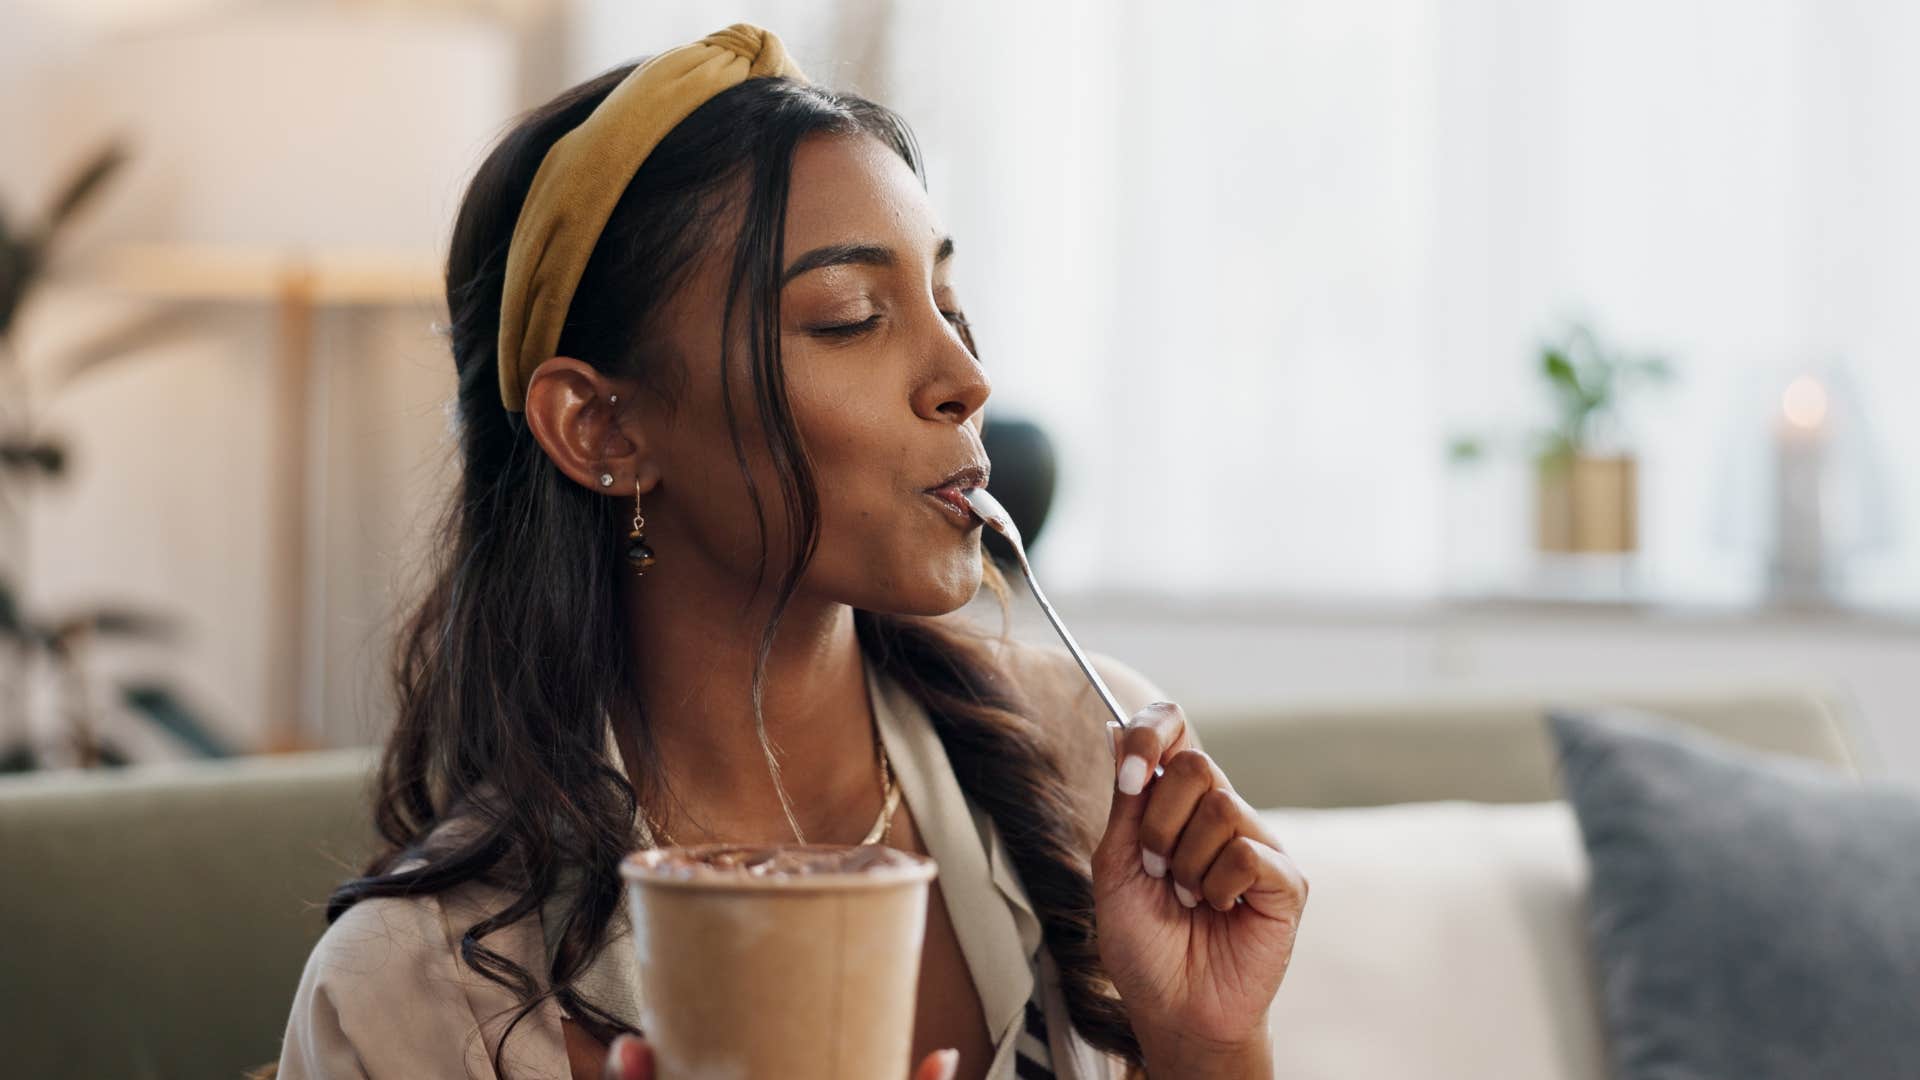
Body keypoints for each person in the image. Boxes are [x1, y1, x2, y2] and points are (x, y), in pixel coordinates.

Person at [274, 23, 1307, 1080]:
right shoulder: (410, 995)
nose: (964, 375)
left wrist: (1207, 1044)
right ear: (603, 429)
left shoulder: (1088, 770)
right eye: (852, 317)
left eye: (949, 303)